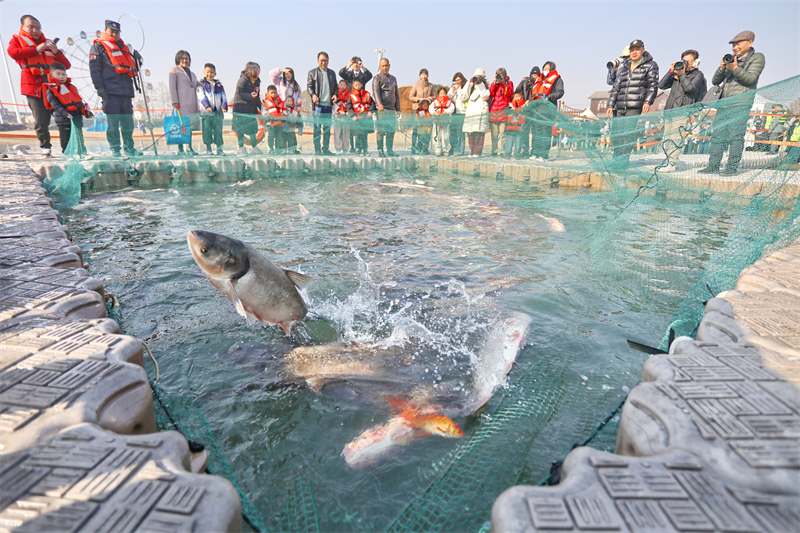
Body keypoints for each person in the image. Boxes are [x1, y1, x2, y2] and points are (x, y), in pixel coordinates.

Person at [700, 31, 765, 175]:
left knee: (736, 137)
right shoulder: (731, 59)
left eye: (738, 43)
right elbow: (715, 81)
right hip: (724, 103)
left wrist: (735, 68)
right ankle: (712, 166)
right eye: (733, 45)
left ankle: (731, 168)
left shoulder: (757, 57)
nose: (735, 47)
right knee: (717, 136)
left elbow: (750, 79)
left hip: (740, 103)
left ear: (750, 42)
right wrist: (722, 67)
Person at [8, 15, 71, 157]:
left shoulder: (49, 43)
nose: (35, 30)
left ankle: (67, 149)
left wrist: (56, 52)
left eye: (38, 27)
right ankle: (45, 147)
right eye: (31, 26)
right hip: (33, 87)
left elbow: (66, 65)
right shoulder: (17, 41)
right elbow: (12, 53)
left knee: (62, 117)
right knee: (41, 120)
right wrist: (36, 49)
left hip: (53, 87)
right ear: (22, 27)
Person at [89, 19, 141, 158]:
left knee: (128, 123)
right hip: (110, 91)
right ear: (105, 31)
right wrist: (99, 87)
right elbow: (94, 69)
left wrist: (138, 60)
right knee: (113, 123)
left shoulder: (124, 48)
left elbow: (133, 69)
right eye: (112, 31)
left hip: (126, 91)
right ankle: (115, 149)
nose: (115, 34)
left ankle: (129, 148)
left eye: (117, 32)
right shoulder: (98, 47)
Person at [606, 40, 659, 165]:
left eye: (637, 49)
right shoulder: (624, 67)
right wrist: (610, 104)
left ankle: (623, 162)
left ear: (643, 50)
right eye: (632, 50)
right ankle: (616, 160)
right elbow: (616, 88)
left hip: (634, 106)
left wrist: (647, 102)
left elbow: (653, 85)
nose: (634, 52)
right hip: (620, 106)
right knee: (617, 136)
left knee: (627, 135)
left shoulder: (650, 65)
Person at [657, 49, 707, 172]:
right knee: (668, 137)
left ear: (695, 62)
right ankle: (670, 161)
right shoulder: (676, 75)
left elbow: (690, 88)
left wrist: (682, 74)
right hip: (670, 110)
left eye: (688, 61)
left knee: (675, 137)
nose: (685, 64)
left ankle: (672, 164)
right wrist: (670, 71)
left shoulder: (698, 75)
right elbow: (661, 85)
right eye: (683, 61)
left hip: (683, 110)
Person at [44, 62, 93, 158]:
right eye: (58, 74)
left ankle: (82, 153)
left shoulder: (71, 87)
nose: (61, 77)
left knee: (79, 137)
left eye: (63, 74)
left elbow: (78, 101)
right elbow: (55, 104)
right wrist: (65, 113)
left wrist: (86, 112)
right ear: (51, 74)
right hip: (63, 119)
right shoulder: (51, 89)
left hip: (76, 117)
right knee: (65, 138)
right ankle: (67, 155)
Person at [526, 61, 563, 161]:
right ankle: (535, 153)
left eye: (547, 69)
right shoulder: (540, 80)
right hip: (537, 110)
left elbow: (560, 92)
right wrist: (529, 101)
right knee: (536, 131)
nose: (545, 71)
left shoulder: (557, 80)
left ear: (552, 69)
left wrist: (549, 97)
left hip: (547, 109)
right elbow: (535, 94)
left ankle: (543, 154)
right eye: (544, 69)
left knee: (545, 132)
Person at [307, 51, 338, 155]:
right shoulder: (312, 73)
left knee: (327, 129)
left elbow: (335, 87)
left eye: (325, 61)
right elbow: (309, 87)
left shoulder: (332, 73)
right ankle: (317, 149)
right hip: (318, 106)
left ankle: (325, 148)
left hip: (328, 106)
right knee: (317, 128)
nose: (323, 63)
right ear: (318, 61)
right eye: (321, 61)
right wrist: (313, 95)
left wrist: (335, 95)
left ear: (328, 61)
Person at [338, 57, 372, 153]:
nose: (356, 65)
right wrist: (348, 65)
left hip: (362, 102)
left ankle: (363, 148)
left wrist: (363, 67)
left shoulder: (363, 75)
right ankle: (352, 147)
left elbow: (370, 75)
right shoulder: (349, 74)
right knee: (351, 127)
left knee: (362, 127)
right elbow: (340, 73)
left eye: (357, 63)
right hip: (352, 100)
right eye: (354, 63)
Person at [169, 50, 199, 156]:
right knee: (181, 125)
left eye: (187, 59)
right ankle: (180, 148)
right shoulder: (174, 71)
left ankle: (190, 147)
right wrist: (175, 101)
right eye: (182, 58)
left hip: (192, 103)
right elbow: (172, 87)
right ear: (178, 59)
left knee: (189, 126)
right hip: (181, 104)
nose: (185, 61)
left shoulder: (193, 74)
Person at [197, 63, 228, 155]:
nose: (209, 74)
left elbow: (224, 96)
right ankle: (209, 149)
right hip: (206, 114)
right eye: (207, 72)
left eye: (211, 72)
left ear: (215, 74)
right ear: (204, 72)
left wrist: (224, 107)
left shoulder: (219, 86)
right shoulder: (201, 85)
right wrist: (207, 106)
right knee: (207, 131)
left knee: (218, 131)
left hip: (218, 113)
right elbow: (201, 96)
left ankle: (219, 148)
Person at [232, 62, 262, 154]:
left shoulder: (257, 81)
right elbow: (239, 92)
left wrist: (260, 106)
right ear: (251, 70)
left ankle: (254, 147)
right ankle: (241, 147)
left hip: (251, 108)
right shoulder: (243, 79)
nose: (259, 71)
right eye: (257, 69)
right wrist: (249, 95)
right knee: (240, 128)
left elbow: (257, 95)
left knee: (252, 128)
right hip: (241, 106)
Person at [372, 58, 400, 157]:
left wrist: (398, 109)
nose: (385, 67)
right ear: (380, 67)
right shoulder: (377, 78)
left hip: (391, 109)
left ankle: (390, 150)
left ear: (389, 66)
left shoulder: (393, 79)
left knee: (391, 131)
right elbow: (376, 92)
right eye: (383, 66)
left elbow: (396, 95)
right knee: (381, 130)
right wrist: (379, 104)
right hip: (382, 109)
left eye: (386, 65)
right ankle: (380, 150)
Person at [463, 68, 490, 158]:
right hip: (471, 113)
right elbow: (464, 95)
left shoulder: (485, 87)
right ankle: (472, 151)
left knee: (479, 134)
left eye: (480, 77)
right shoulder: (471, 88)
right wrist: (470, 82)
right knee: (471, 134)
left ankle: (477, 152)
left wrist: (480, 84)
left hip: (480, 113)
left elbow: (485, 96)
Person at [409, 69, 436, 154]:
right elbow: (410, 97)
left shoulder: (431, 86)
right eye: (422, 74)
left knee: (427, 130)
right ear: (419, 75)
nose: (424, 76)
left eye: (425, 74)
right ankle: (414, 148)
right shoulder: (416, 85)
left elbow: (435, 96)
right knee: (416, 129)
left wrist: (430, 98)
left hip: (427, 111)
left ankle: (425, 148)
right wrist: (418, 99)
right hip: (418, 110)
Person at [488, 68, 514, 157]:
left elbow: (509, 93)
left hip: (503, 112)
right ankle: (494, 151)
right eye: (498, 75)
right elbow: (490, 94)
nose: (500, 77)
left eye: (502, 75)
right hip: (494, 112)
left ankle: (502, 151)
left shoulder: (509, 83)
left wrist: (503, 84)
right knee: (494, 135)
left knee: (503, 134)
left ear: (505, 75)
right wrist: (494, 83)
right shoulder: (495, 83)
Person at [346, 79, 375, 156]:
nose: (357, 87)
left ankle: (365, 149)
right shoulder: (351, 96)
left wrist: (370, 111)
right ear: (353, 86)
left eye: (359, 85)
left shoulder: (368, 94)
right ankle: (357, 149)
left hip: (365, 118)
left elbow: (373, 104)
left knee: (365, 135)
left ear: (362, 85)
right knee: (357, 134)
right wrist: (353, 115)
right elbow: (349, 107)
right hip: (356, 119)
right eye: (356, 85)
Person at [447, 73, 468, 156]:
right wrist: (452, 91)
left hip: (462, 112)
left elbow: (464, 97)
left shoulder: (465, 87)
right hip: (453, 113)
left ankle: (460, 150)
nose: (457, 82)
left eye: (459, 80)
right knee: (452, 132)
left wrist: (459, 90)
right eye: (455, 80)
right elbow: (448, 97)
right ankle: (453, 147)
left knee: (460, 133)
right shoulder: (452, 88)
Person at [431, 87, 454, 157]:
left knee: (445, 136)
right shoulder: (434, 102)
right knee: (436, 135)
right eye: (441, 93)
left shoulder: (450, 102)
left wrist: (446, 112)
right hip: (437, 122)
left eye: (444, 93)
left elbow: (452, 108)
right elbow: (430, 108)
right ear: (438, 94)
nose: (442, 95)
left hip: (445, 122)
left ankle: (445, 150)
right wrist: (434, 113)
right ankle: (437, 150)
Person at [505, 90, 526, 159]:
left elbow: (528, 112)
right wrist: (511, 109)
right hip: (510, 128)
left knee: (518, 142)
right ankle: (507, 154)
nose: (517, 98)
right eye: (515, 96)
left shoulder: (524, 106)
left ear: (521, 97)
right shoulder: (510, 105)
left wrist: (524, 107)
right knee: (509, 141)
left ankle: (517, 154)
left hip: (519, 128)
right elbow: (505, 110)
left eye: (518, 96)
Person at [263, 85, 284, 153]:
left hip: (279, 122)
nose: (273, 94)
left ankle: (278, 148)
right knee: (271, 135)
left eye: (275, 93)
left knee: (278, 136)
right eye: (271, 93)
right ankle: (270, 148)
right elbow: (263, 110)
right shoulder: (265, 101)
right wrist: (266, 114)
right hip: (270, 123)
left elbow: (282, 109)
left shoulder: (279, 101)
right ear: (268, 93)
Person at [333, 80, 350, 154]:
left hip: (346, 117)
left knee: (346, 133)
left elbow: (351, 104)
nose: (342, 86)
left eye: (344, 85)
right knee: (337, 132)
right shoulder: (336, 95)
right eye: (341, 85)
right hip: (338, 116)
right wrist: (339, 110)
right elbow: (333, 104)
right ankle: (338, 149)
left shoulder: (349, 95)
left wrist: (349, 111)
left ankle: (345, 149)